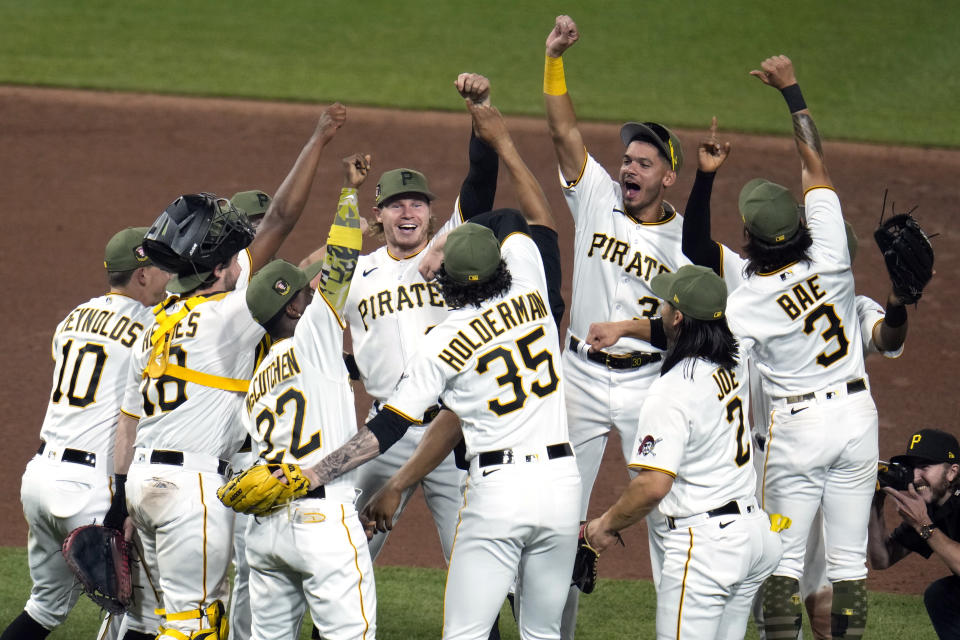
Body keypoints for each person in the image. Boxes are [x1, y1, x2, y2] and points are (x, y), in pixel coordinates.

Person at [109, 103, 348, 640]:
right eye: (237, 257)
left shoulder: (155, 322)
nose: (245, 261)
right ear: (217, 270)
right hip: (190, 488)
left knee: (155, 623)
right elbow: (282, 218)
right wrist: (318, 139)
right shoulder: (230, 315)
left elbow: (126, 422)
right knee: (196, 627)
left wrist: (117, 500)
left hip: (143, 483)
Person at [541, 15, 741, 636]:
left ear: (668, 176)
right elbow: (563, 129)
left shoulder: (693, 241)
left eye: (644, 162)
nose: (629, 169)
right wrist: (554, 58)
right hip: (577, 375)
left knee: (665, 510)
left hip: (648, 385)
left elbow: (720, 313)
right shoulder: (596, 195)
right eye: (627, 159)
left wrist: (628, 327)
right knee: (556, 520)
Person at [679, 117, 914, 640]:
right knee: (844, 571)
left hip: (788, 445)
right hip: (851, 426)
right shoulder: (837, 278)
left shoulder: (752, 290)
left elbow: (888, 337)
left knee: (786, 573)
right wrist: (900, 302)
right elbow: (890, 339)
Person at [711, 56, 878, 640]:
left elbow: (724, 366)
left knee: (781, 563)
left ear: (751, 240)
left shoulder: (749, 301)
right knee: (849, 566)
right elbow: (814, 163)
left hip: (799, 434)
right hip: (858, 419)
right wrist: (791, 91)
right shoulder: (832, 253)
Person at [341, 73, 499, 569]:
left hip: (453, 430)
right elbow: (306, 303)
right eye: (394, 205)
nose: (407, 212)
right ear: (379, 214)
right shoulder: (356, 272)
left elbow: (479, 184)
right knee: (346, 558)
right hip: (384, 431)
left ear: (432, 214)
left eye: (417, 203)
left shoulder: (448, 248)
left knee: (475, 566)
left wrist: (479, 116)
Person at [583, 265, 782, 639]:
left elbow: (653, 486)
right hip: (754, 537)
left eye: (664, 304)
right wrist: (624, 328)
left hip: (708, 548)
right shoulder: (736, 355)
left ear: (677, 317)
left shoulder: (672, 390)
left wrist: (603, 526)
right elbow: (671, 331)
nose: (658, 310)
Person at [0, 227, 170, 640]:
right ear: (142, 275)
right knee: (150, 616)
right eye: (161, 268)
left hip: (40, 479)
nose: (170, 275)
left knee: (43, 608)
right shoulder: (153, 324)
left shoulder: (72, 318)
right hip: (90, 489)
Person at [868, 429, 960, 640]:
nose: (916, 477)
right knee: (942, 595)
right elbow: (882, 559)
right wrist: (874, 503)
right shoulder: (933, 506)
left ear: (952, 472)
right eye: (913, 468)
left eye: (925, 467)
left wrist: (923, 525)